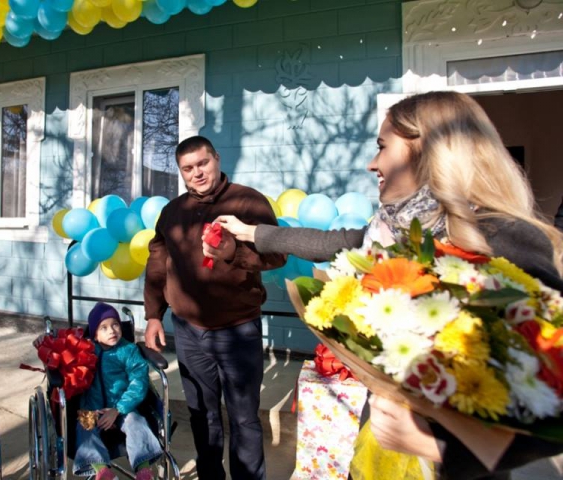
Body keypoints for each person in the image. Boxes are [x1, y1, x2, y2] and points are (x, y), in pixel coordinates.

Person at [214, 91, 563, 479]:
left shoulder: (505, 237)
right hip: (379, 440)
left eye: (382, 147)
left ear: (428, 149)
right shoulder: (393, 233)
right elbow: (331, 243)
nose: (371, 163)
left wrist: (435, 444)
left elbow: (551, 402)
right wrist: (250, 232)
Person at [143, 135, 286, 480]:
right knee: (201, 415)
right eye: (188, 168)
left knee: (244, 418)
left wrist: (234, 253)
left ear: (217, 159)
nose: (197, 173)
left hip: (237, 330)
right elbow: (158, 265)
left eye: (203, 163)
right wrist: (152, 315)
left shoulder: (248, 202)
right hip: (188, 332)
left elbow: (276, 254)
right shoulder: (172, 212)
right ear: (181, 172)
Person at [73, 302, 162, 480]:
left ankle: (143, 470)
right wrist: (43, 344)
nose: (112, 330)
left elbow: (139, 382)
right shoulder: (87, 350)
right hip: (93, 408)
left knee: (137, 423)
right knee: (84, 426)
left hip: (123, 407)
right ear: (95, 335)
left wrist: (118, 409)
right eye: (104, 328)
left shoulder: (128, 351)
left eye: (115, 324)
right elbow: (60, 354)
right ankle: (102, 471)